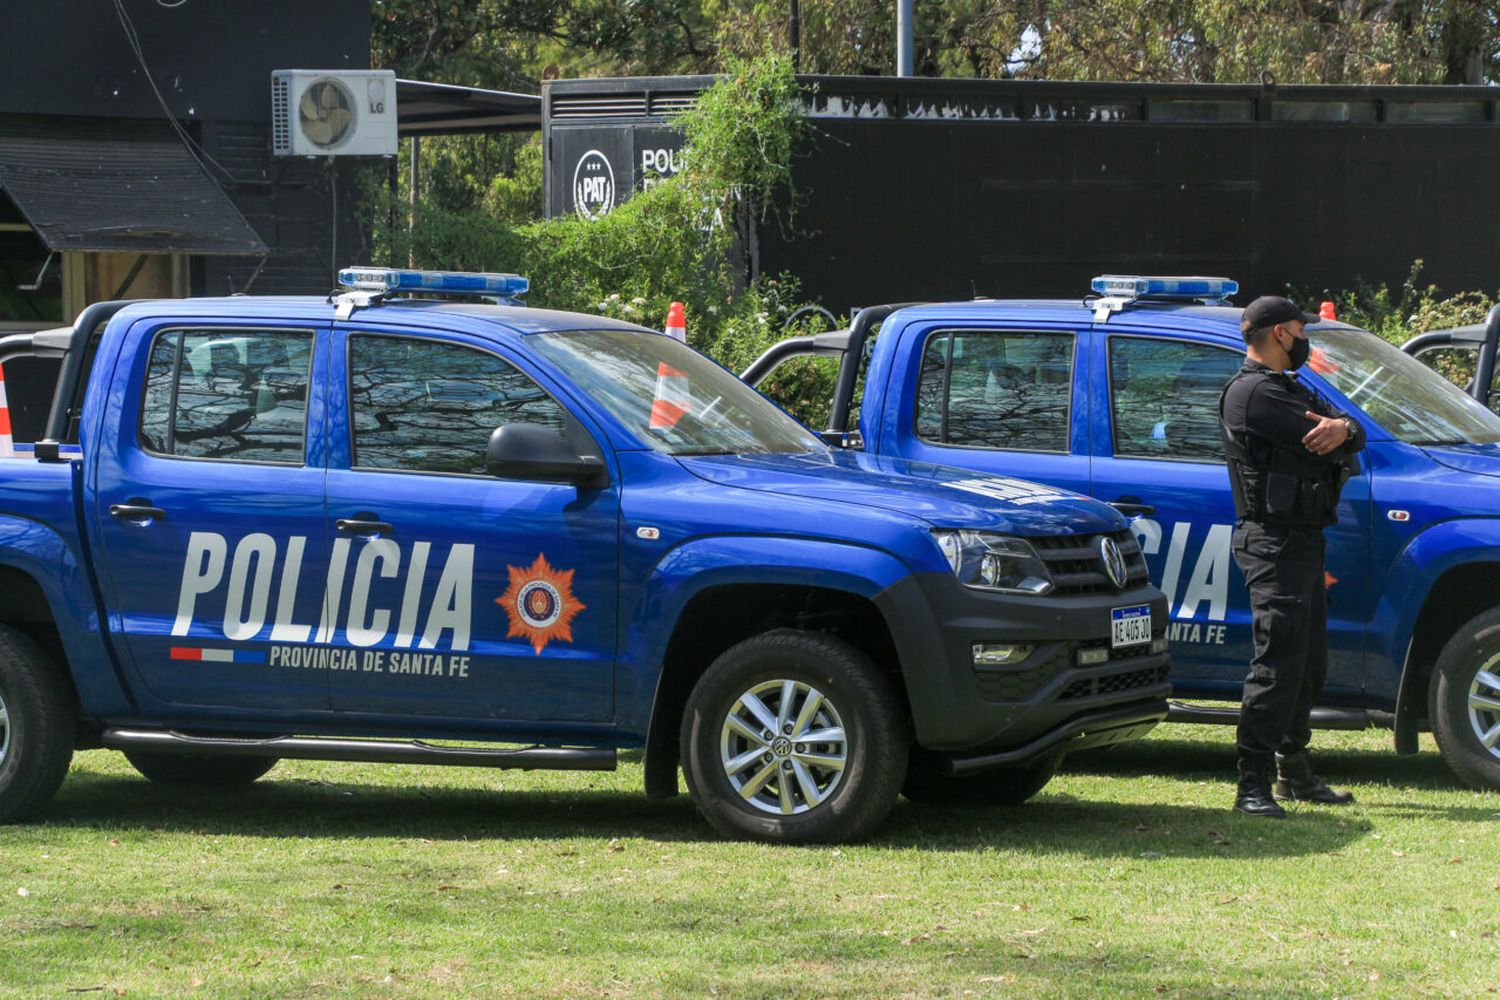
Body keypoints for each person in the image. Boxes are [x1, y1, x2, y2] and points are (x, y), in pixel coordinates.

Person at [1218, 296, 1366, 818]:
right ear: (1281, 333)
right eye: (1302, 330)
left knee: (1307, 661)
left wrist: (1345, 428)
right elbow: (1316, 437)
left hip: (1302, 540)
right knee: (1278, 661)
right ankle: (1250, 783)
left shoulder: (1288, 388)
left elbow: (1350, 434)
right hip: (1273, 542)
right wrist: (1340, 431)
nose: (1306, 340)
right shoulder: (1255, 394)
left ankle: (1294, 771)